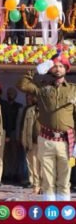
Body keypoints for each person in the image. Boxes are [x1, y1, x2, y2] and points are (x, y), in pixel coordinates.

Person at [17, 53, 76, 201]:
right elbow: (22, 84)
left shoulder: (73, 90)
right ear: (50, 69)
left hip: (66, 141)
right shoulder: (42, 89)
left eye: (61, 66)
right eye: (55, 65)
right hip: (46, 140)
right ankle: (50, 214)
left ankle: (63, 215)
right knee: (47, 182)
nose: (58, 68)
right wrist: (36, 70)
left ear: (66, 69)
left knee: (64, 181)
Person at [21, 93, 41, 194]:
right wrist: (24, 141)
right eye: (34, 97)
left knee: (41, 165)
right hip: (32, 142)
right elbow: (25, 127)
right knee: (32, 164)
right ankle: (35, 184)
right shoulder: (29, 110)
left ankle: (41, 185)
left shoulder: (46, 110)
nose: (34, 98)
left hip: (43, 142)